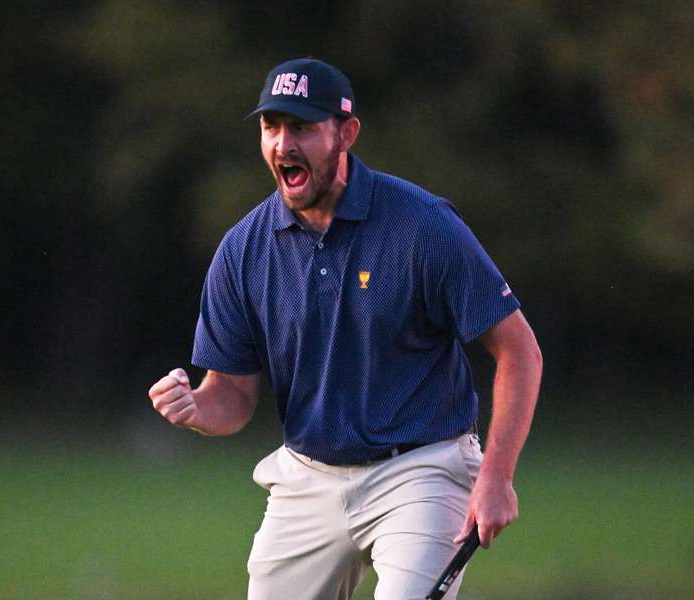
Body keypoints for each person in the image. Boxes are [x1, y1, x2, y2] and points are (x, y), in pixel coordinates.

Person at [148, 57, 542, 600]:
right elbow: (232, 397)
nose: (283, 144)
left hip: (422, 471)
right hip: (308, 474)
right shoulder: (244, 250)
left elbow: (519, 349)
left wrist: (496, 475)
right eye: (271, 126)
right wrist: (195, 407)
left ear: (346, 133)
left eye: (303, 127)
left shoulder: (422, 226)